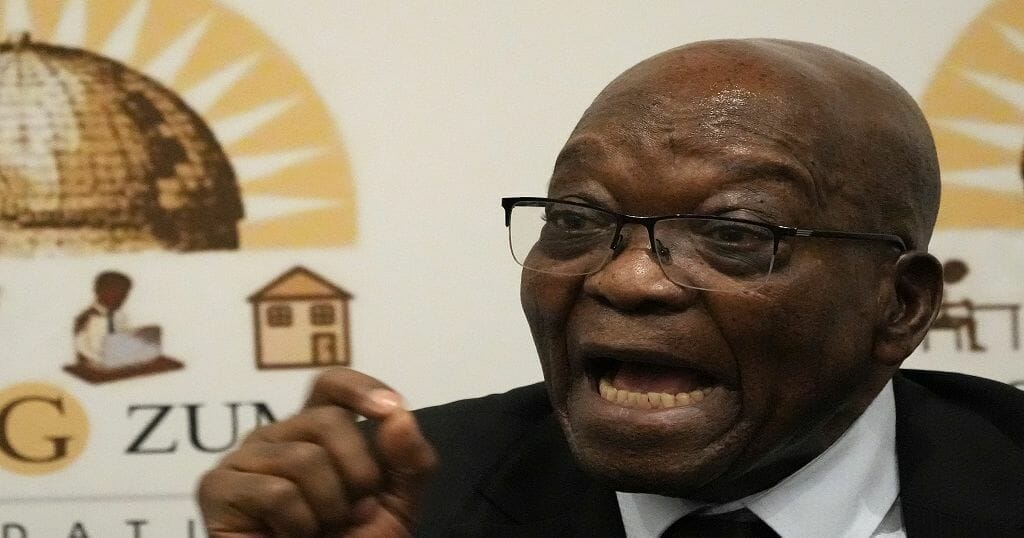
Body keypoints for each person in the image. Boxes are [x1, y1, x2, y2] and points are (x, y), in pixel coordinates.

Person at [197, 39, 1024, 537]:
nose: (626, 277)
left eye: (735, 234)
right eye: (577, 219)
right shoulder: (402, 504)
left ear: (900, 305)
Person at [73, 270, 133, 367]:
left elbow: (124, 344)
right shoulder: (86, 318)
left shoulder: (120, 316)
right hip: (95, 369)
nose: (121, 298)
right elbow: (85, 354)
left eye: (124, 293)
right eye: (115, 292)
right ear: (98, 291)